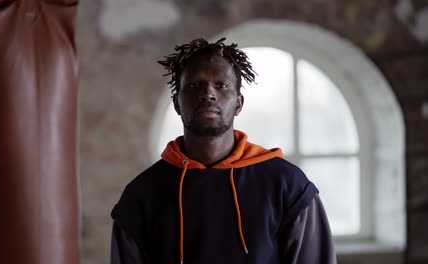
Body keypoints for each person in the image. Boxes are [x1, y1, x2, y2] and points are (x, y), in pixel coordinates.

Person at [110, 38, 336, 264]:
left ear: (239, 104)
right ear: (177, 103)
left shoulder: (287, 185)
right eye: (194, 85)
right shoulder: (141, 195)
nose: (208, 93)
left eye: (221, 85)